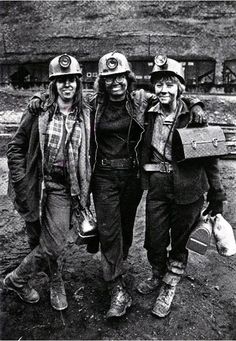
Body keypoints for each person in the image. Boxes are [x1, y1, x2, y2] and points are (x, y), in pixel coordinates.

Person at [27, 51, 206, 319]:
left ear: (128, 78)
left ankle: (118, 267)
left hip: (132, 179)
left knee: (124, 229)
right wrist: (39, 97)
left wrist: (196, 104)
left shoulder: (141, 100)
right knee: (109, 231)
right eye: (109, 78)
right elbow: (65, 93)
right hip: (103, 178)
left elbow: (174, 95)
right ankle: (117, 290)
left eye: (120, 77)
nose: (116, 83)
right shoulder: (93, 102)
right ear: (102, 81)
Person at [137, 55, 226, 317]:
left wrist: (217, 194)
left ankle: (169, 283)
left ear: (179, 87)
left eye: (170, 84)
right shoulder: (149, 113)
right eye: (159, 85)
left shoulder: (194, 117)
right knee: (154, 238)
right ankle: (156, 273)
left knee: (181, 240)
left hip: (189, 188)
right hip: (158, 185)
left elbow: (210, 158)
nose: (164, 90)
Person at [3, 54, 92, 311]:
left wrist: (193, 102)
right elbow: (15, 147)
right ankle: (56, 280)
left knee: (53, 244)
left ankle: (16, 280)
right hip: (36, 187)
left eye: (71, 80)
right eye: (61, 80)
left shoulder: (86, 112)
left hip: (64, 190)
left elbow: (124, 94)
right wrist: (21, 180)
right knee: (36, 240)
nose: (67, 85)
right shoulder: (39, 111)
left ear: (77, 83)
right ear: (53, 84)